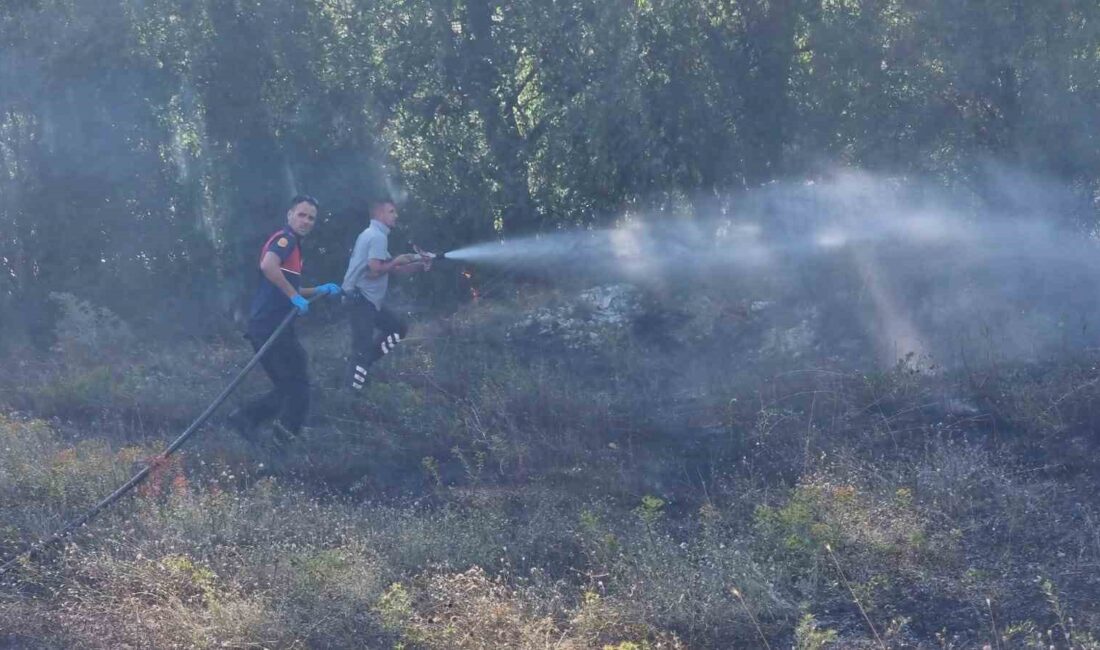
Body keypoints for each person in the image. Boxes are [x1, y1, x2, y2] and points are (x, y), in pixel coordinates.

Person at [228, 195, 342, 442]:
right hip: (270, 328)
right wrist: (294, 297)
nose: (306, 221)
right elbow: (268, 266)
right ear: (289, 215)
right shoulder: (286, 239)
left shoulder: (295, 249)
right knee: (298, 388)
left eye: (311, 218)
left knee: (289, 385)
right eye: (301, 215)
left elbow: (287, 286)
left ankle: (245, 419)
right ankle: (282, 440)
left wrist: (319, 290)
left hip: (271, 327)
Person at [341, 198, 433, 391]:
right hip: (359, 299)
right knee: (361, 349)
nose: (396, 215)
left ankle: (363, 366)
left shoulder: (375, 235)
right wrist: (397, 260)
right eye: (391, 211)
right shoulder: (376, 236)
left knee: (397, 329)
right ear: (379, 214)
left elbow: (394, 269)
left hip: (367, 301)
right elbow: (375, 270)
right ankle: (350, 395)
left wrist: (420, 264)